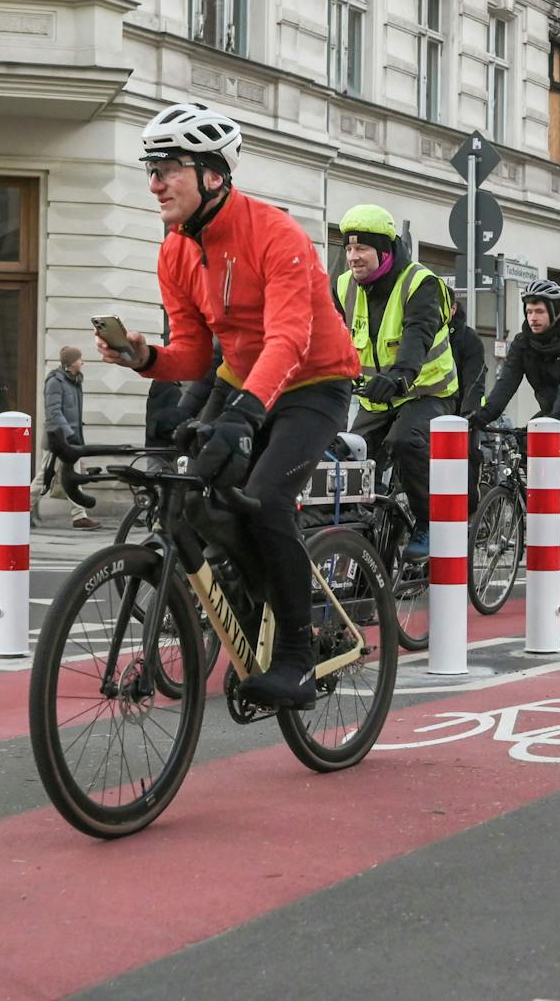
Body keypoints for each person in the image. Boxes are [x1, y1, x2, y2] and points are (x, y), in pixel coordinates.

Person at [95, 102, 360, 711]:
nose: (155, 182)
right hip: (241, 378)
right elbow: (192, 352)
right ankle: (250, 601)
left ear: (214, 174)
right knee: (189, 489)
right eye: (150, 169)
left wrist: (242, 416)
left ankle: (296, 655)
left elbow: (290, 339)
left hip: (314, 382)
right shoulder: (176, 251)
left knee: (264, 497)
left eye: (168, 168)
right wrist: (146, 359)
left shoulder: (276, 233)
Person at [332, 204, 458, 560]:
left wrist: (400, 377)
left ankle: (428, 520)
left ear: (384, 251)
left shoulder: (420, 283)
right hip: (375, 398)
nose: (353, 257)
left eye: (362, 249)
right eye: (349, 249)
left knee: (404, 441)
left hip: (427, 391)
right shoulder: (343, 286)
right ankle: (362, 545)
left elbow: (417, 335)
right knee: (348, 455)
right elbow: (330, 338)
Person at [466, 279, 560, 599]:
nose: (533, 317)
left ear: (555, 312)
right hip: (549, 420)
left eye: (539, 311)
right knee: (536, 478)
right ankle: (544, 535)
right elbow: (504, 387)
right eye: (529, 311)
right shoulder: (522, 344)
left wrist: (554, 420)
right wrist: (480, 418)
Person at [43, 345, 98, 529]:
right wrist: (69, 433)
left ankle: (79, 516)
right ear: (71, 362)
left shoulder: (74, 380)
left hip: (70, 438)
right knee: (44, 476)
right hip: (58, 439)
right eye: (79, 358)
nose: (83, 362)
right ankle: (19, 509)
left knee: (74, 475)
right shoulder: (55, 381)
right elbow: (54, 412)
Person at [447, 293, 488, 495]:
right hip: (430, 410)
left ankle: (470, 511)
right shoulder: (423, 331)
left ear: (453, 308)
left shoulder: (468, 339)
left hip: (462, 412)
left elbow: (475, 378)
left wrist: (468, 414)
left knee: (465, 461)